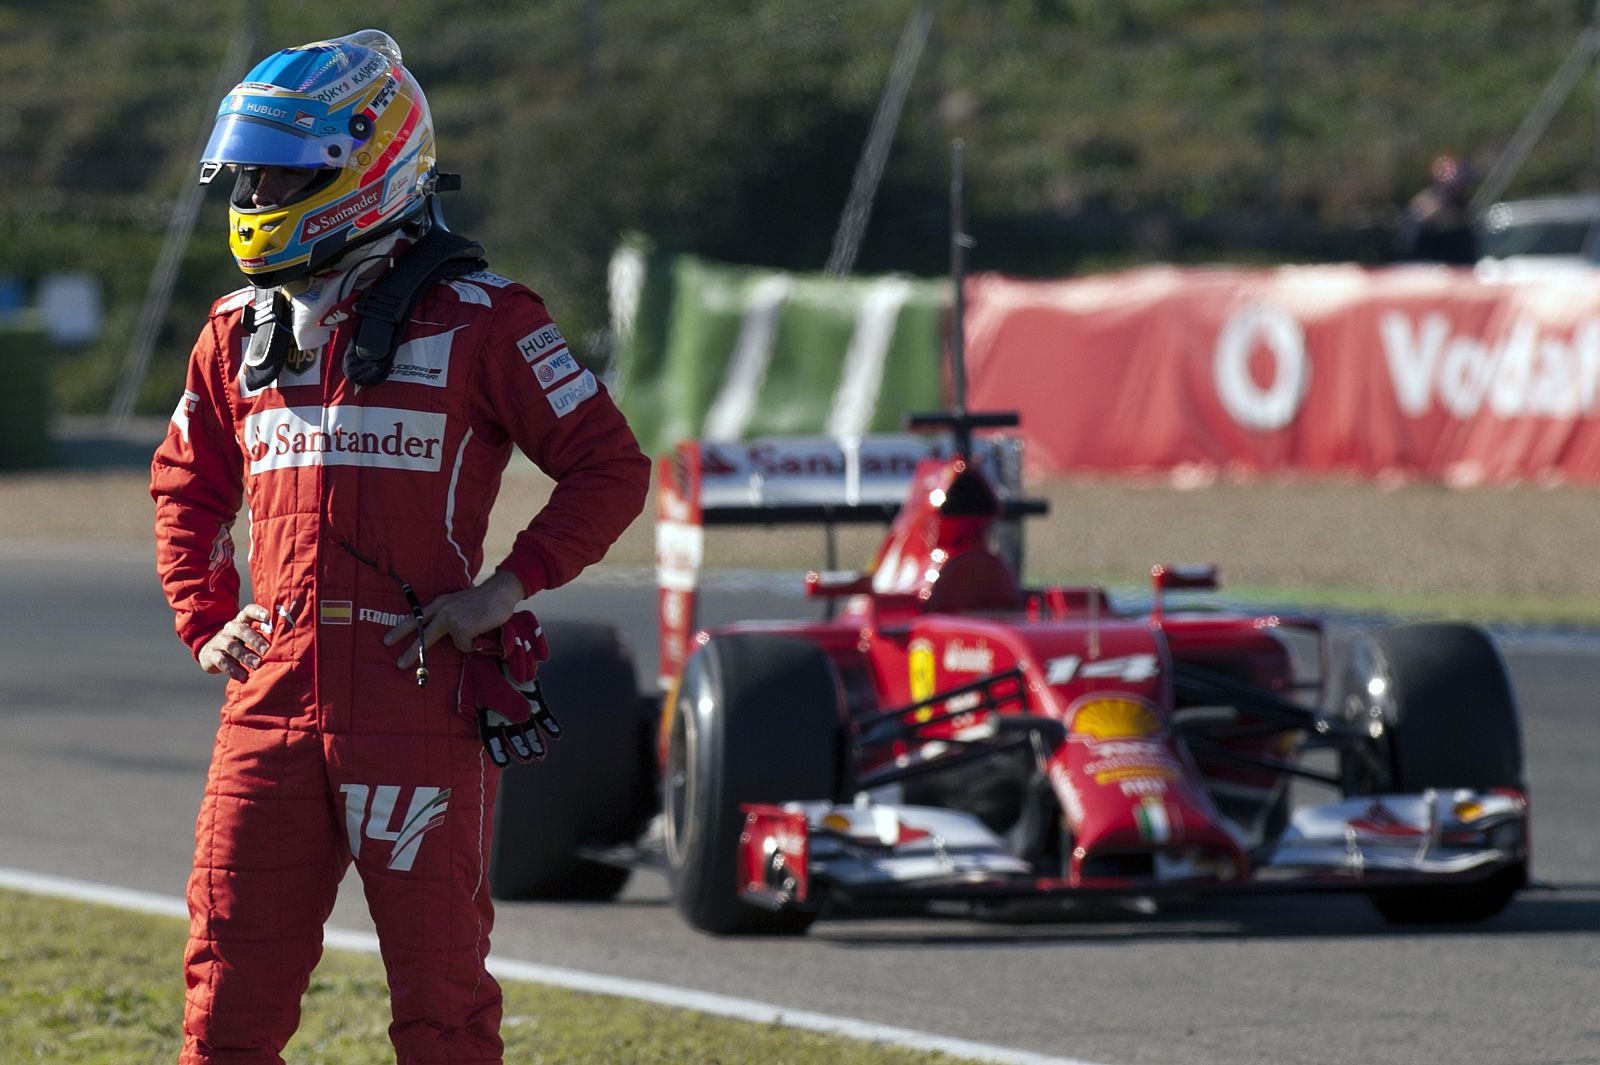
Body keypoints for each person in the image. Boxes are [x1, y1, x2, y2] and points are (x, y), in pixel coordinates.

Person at [150, 29, 650, 1064]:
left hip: (420, 698)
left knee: (442, 1006)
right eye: (246, 174)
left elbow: (610, 465)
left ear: (369, 167)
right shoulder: (236, 330)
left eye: (281, 174)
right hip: (270, 707)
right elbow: (185, 484)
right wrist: (205, 620)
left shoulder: (487, 319)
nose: (254, 194)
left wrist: (506, 589)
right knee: (225, 1001)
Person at [1396, 154, 1479, 264]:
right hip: (1426, 265)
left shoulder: (1462, 205)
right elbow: (1409, 240)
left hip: (1461, 266)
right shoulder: (1425, 203)